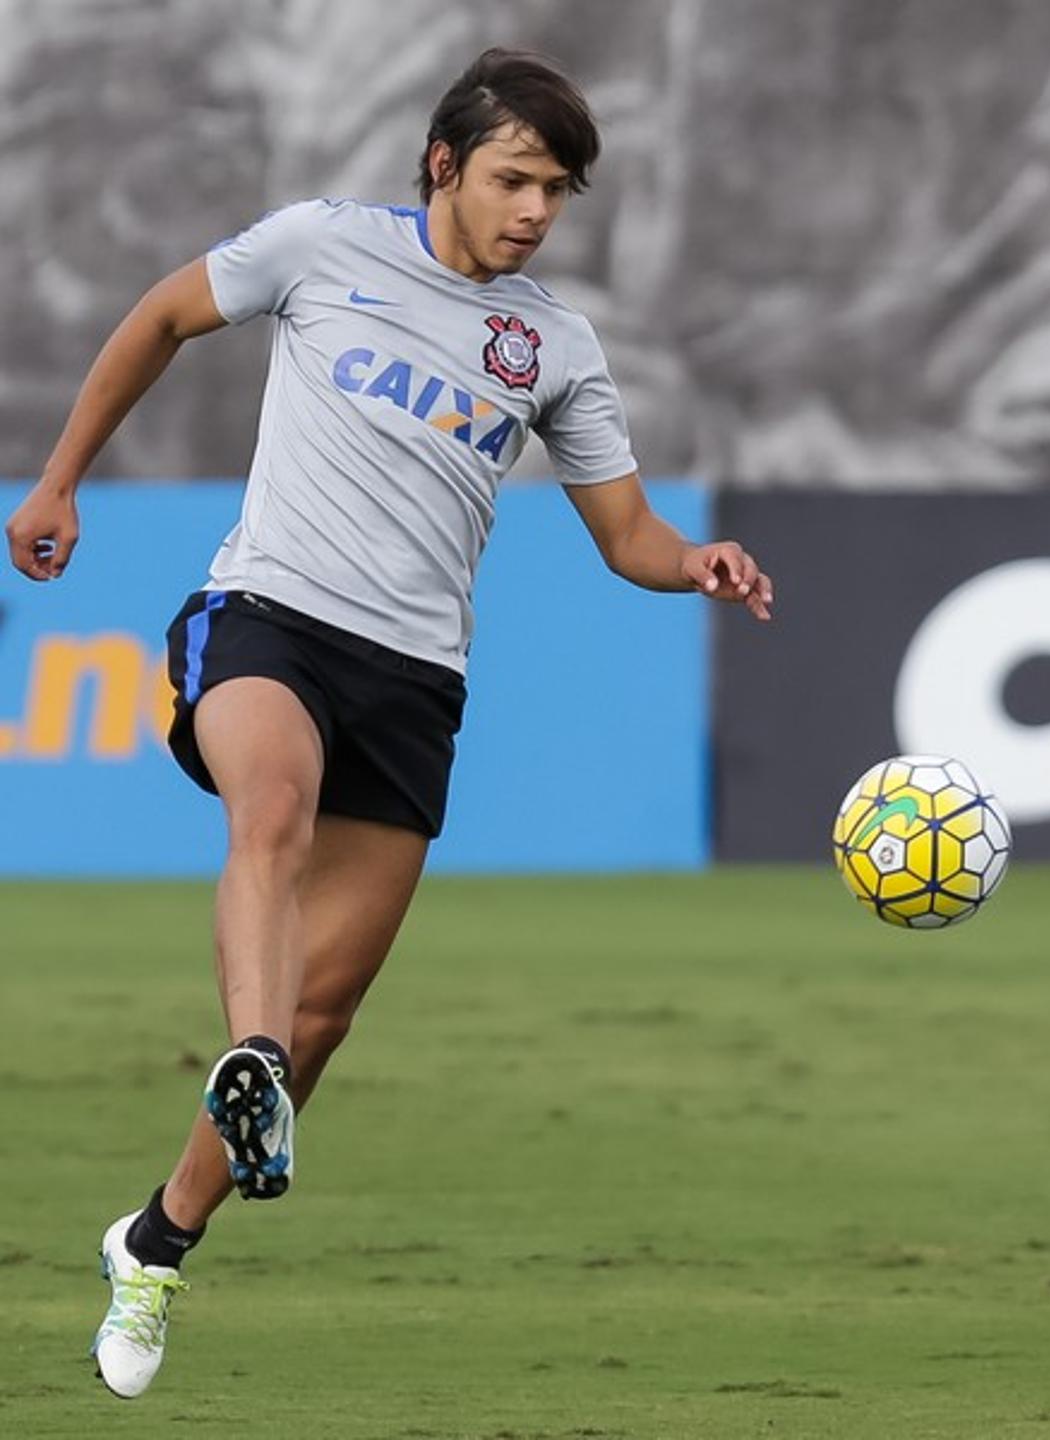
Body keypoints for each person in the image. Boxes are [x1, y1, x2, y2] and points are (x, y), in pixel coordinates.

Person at [2, 47, 772, 1400]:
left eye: (559, 189)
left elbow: (627, 534)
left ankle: (157, 1241)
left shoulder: (555, 348)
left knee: (331, 1010)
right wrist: (60, 481)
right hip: (267, 619)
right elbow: (162, 319)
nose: (536, 210)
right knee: (271, 813)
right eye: (515, 177)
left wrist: (692, 563)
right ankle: (247, 1057)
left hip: (414, 682)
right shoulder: (318, 248)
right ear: (444, 164)